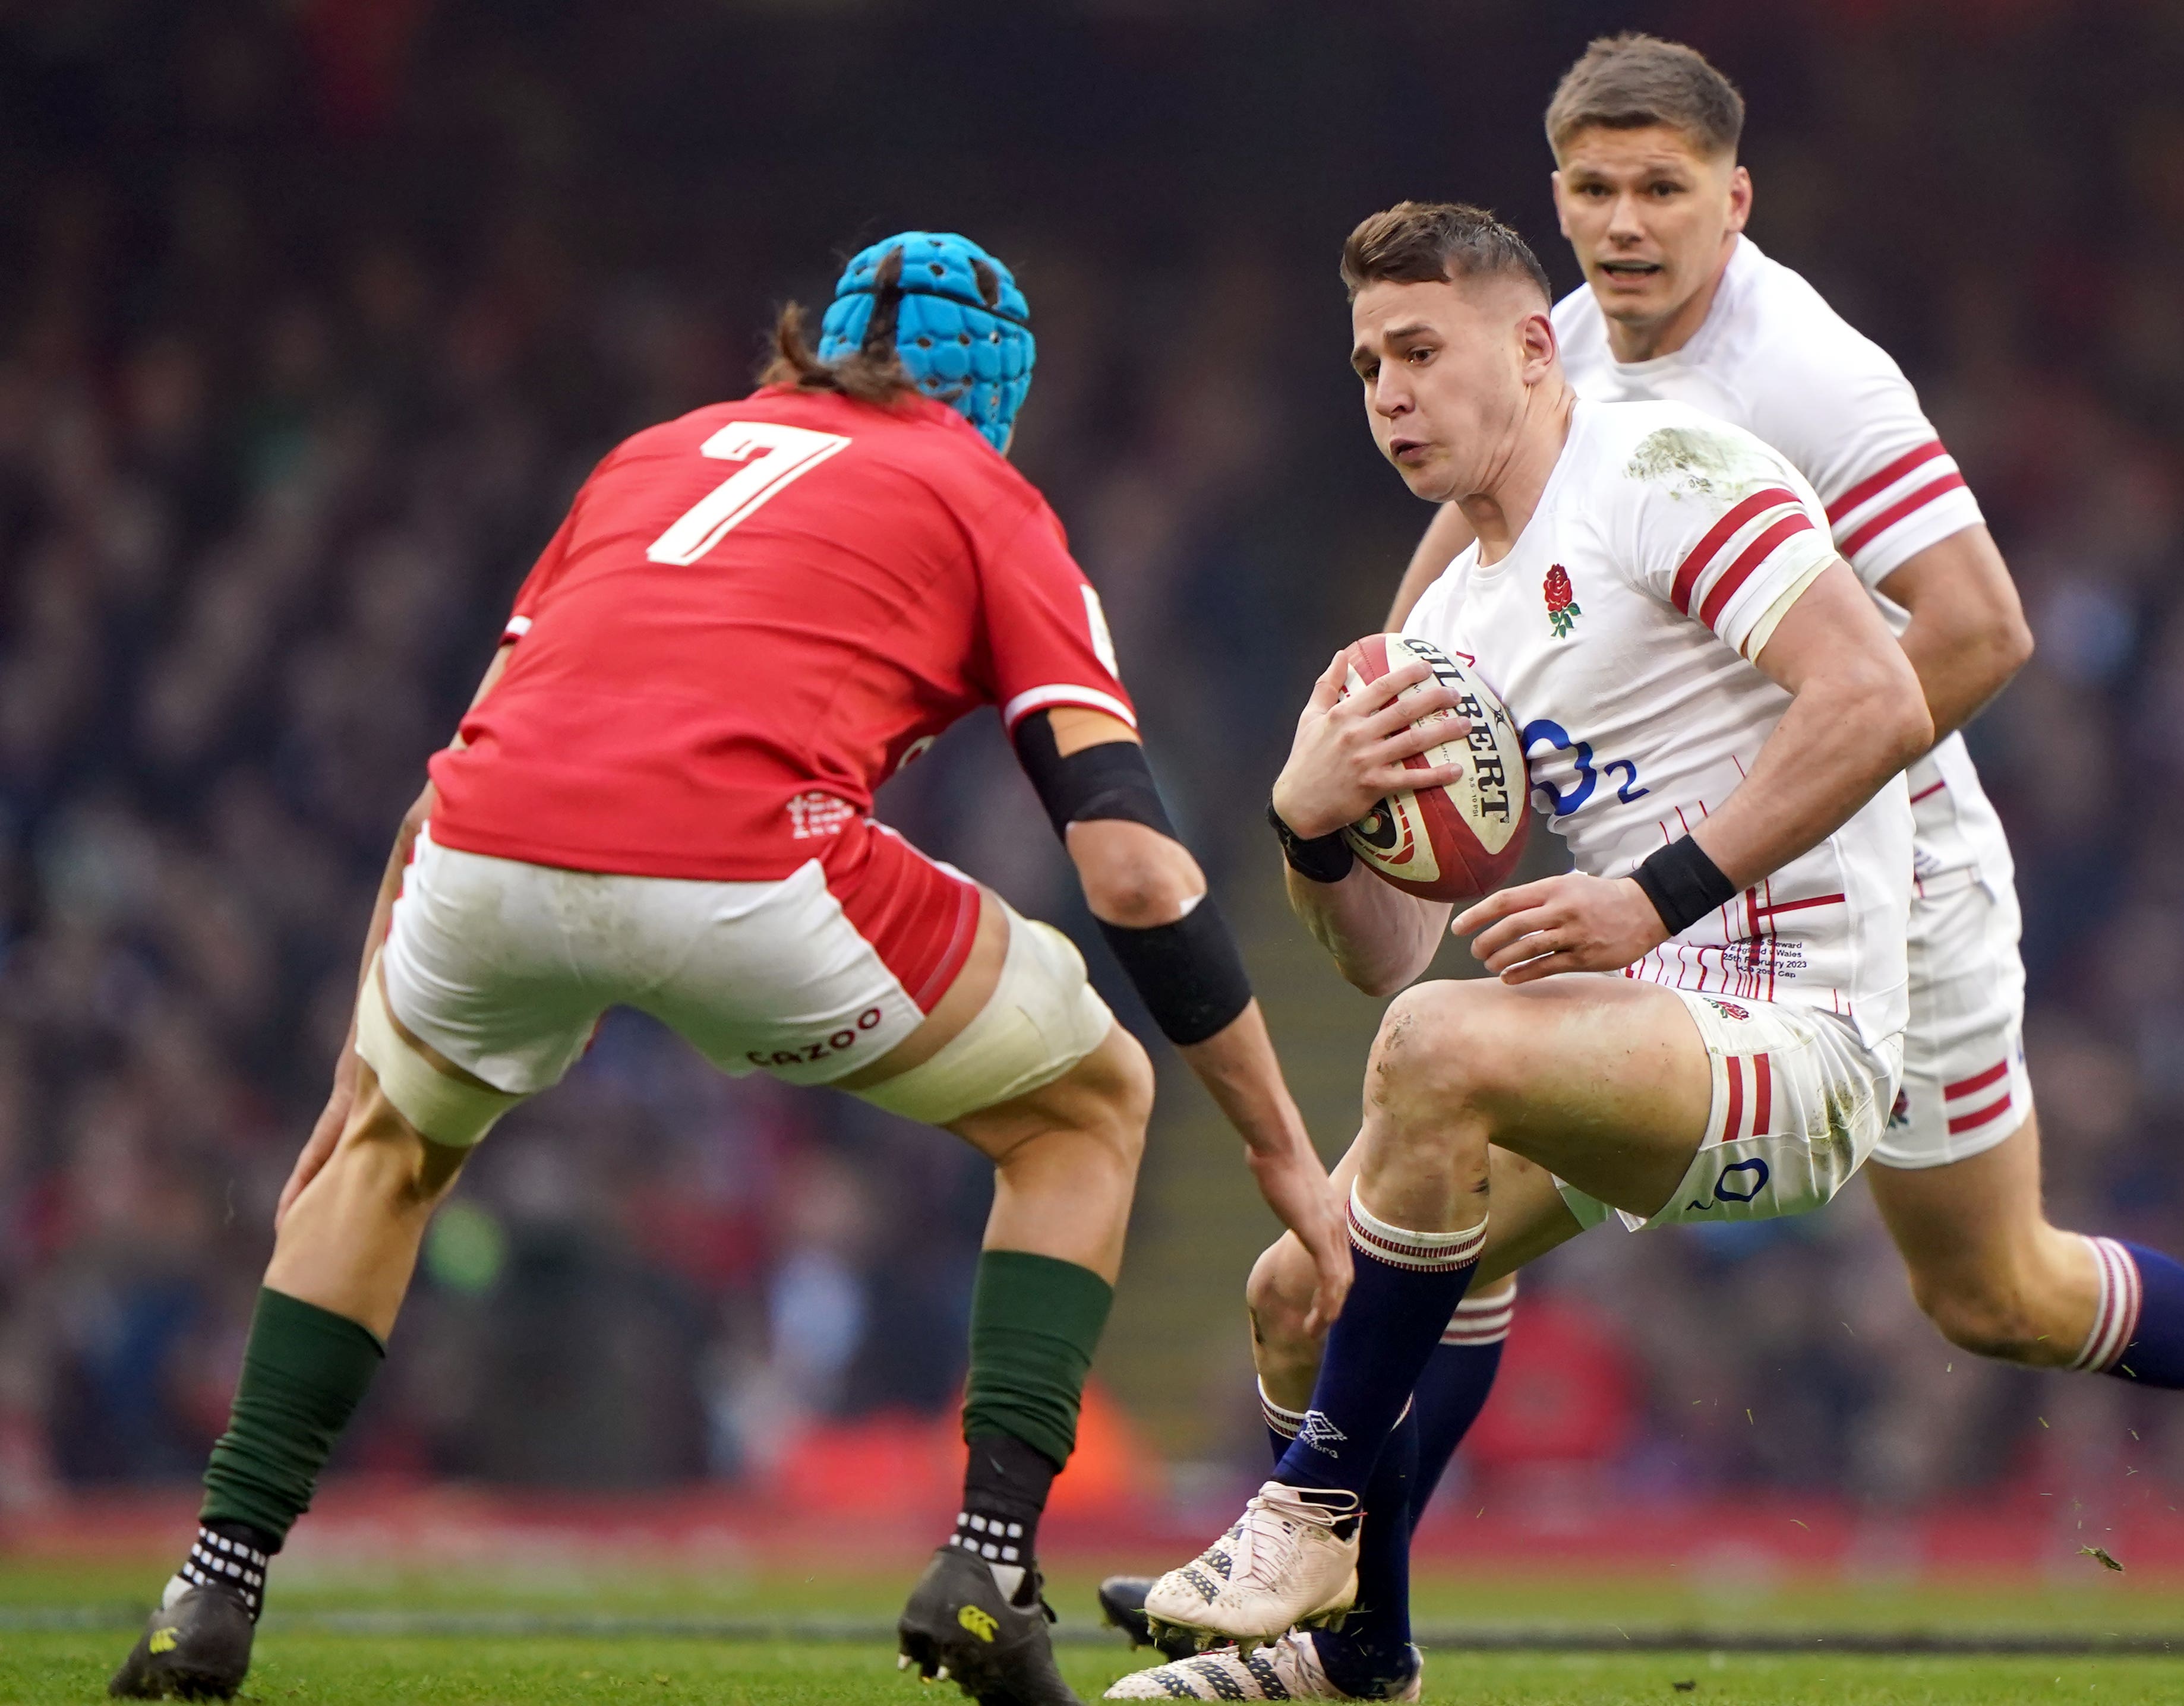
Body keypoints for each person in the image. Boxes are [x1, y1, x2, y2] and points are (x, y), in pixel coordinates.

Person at [1104, 33, 2184, 1689]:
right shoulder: (1540, 366)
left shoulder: (1789, 381)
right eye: (1590, 185)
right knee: (1371, 1219)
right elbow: (1458, 640)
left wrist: (1716, 852)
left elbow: (1965, 635)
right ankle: (1351, 1639)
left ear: (1735, 200)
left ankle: (1318, 1531)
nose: (1624, 218)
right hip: (1671, 937)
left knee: (1985, 1291)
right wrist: (1332, 801)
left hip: (1883, 871)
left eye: (1661, 184)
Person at [107, 231, 1350, 1705]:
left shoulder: (654, 455)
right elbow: (1132, 865)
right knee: (1087, 1102)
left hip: (484, 851)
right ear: (999, 394)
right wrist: (1279, 1148)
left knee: (378, 1158)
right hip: (751, 865)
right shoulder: (983, 490)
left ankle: (212, 1586)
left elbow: (460, 764)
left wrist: (359, 1061)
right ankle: (990, 1560)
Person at [1105, 198, 1935, 1701]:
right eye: (1366, 369)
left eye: (1420, 350)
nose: (1391, 396)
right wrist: (1308, 828)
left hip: (1803, 1026)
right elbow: (1386, 955)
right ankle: (1360, 1655)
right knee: (1298, 1292)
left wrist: (1652, 895)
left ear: (1535, 346)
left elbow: (1877, 694)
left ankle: (1310, 1510)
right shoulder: (1449, 621)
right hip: (1648, 1021)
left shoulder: (1662, 471)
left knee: (1442, 1050)